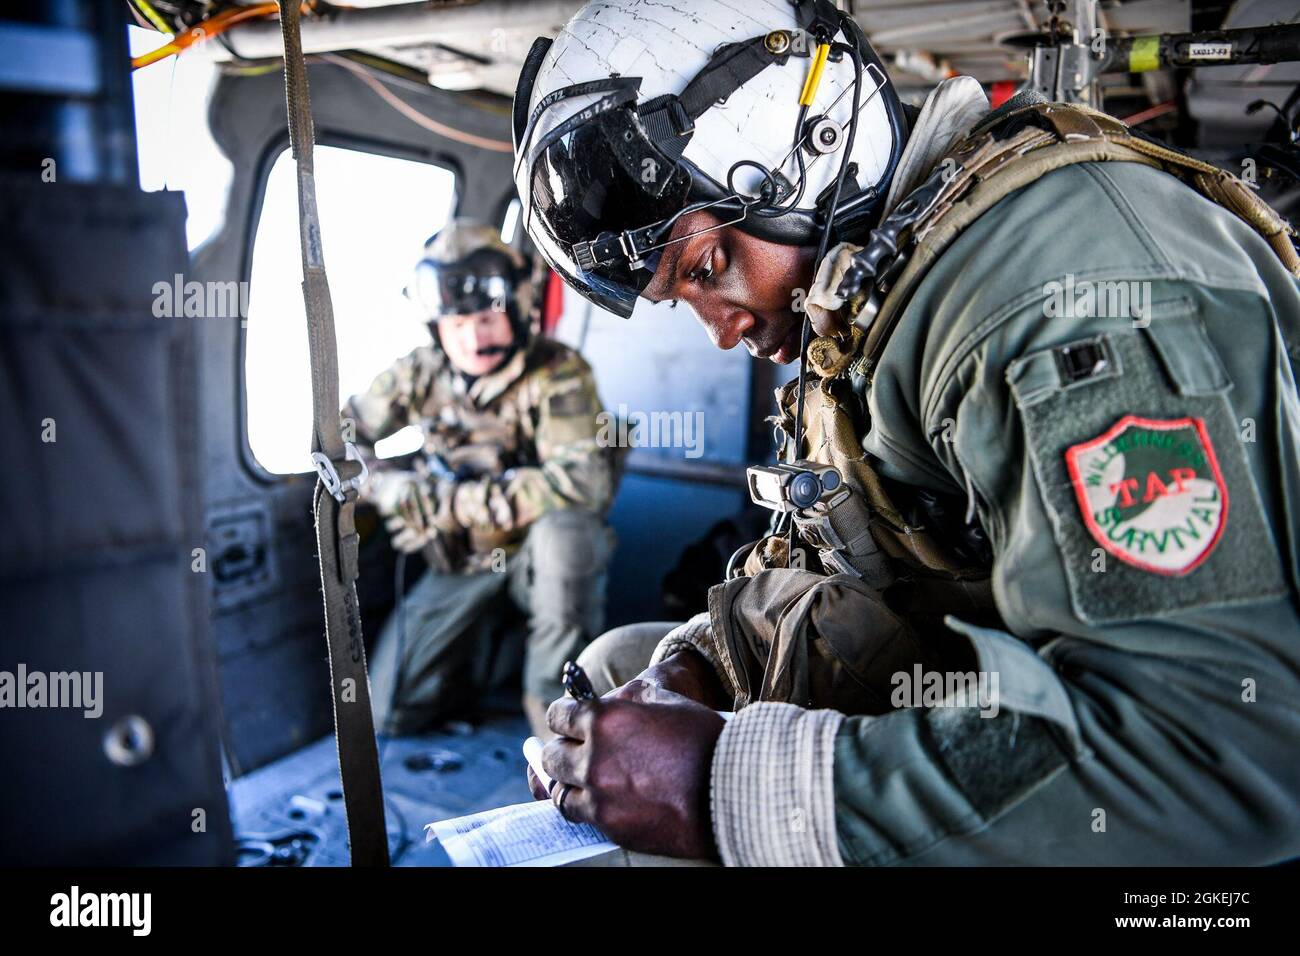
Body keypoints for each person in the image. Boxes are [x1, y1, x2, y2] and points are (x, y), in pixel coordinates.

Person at [512, 0, 1300, 864]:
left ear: (806, 146)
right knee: (622, 660)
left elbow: (1216, 749)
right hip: (982, 678)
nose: (722, 332)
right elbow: (842, 560)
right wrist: (694, 668)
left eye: (706, 268)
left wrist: (724, 788)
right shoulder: (870, 303)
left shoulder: (1049, 297)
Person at [344, 219, 615, 740]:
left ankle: (556, 717)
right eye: (456, 324)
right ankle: (476, 672)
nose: (474, 337)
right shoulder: (418, 373)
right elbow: (338, 435)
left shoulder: (558, 373)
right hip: (461, 562)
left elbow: (582, 484)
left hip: (537, 558)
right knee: (389, 713)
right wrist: (384, 486)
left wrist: (444, 505)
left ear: (515, 305)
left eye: (488, 317)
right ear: (436, 328)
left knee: (570, 535)